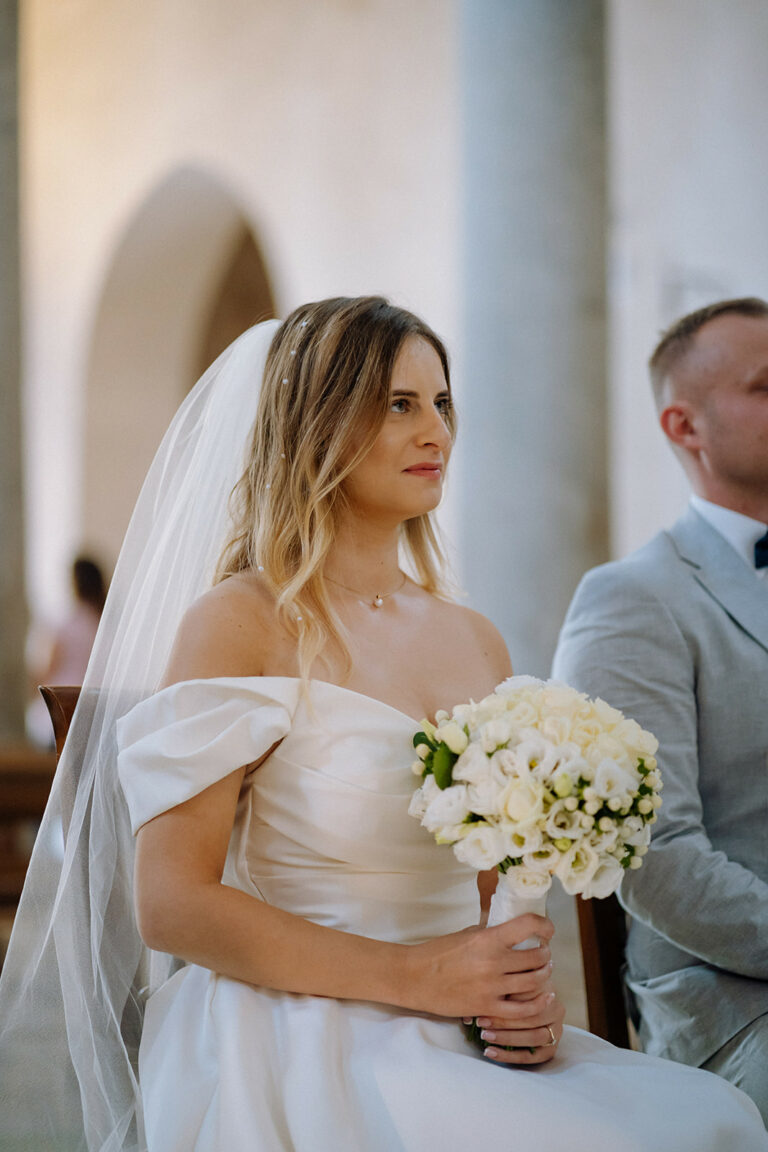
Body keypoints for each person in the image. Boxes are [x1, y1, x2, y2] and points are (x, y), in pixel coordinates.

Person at [0, 297, 764, 1152]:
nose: (433, 429)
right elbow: (172, 905)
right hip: (302, 1027)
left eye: (441, 403)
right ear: (316, 424)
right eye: (398, 404)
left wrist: (523, 1003)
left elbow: (494, 901)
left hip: (454, 1027)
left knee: (715, 1121)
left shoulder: (473, 637)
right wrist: (418, 978)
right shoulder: (241, 619)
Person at [554, 297, 768, 1124]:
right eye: (765, 384)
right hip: (735, 1008)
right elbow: (656, 859)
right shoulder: (634, 600)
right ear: (686, 425)